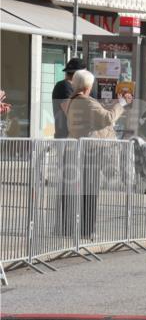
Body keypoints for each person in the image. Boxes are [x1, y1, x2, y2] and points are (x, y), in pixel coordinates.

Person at [65, 69, 133, 238]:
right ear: (88, 85)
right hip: (91, 151)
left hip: (82, 149)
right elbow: (108, 118)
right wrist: (121, 103)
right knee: (90, 192)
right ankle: (87, 230)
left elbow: (99, 115)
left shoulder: (75, 100)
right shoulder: (85, 101)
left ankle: (83, 229)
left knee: (87, 192)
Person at [52, 58, 83, 139]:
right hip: (66, 137)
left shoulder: (73, 87)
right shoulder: (64, 86)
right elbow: (70, 112)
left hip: (71, 136)